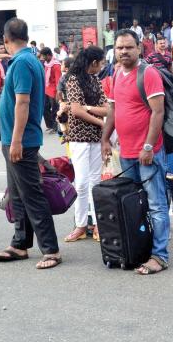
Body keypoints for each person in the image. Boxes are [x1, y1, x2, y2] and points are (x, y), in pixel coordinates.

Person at [0, 18, 60, 269]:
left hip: (20, 140)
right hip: (14, 139)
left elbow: (23, 102)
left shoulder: (21, 62)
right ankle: (20, 243)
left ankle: (50, 250)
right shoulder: (28, 59)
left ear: (5, 39)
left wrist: (17, 140)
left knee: (31, 195)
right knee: (18, 195)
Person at [102, 29, 170, 275]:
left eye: (128, 47)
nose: (123, 52)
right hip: (127, 153)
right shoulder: (116, 73)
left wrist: (149, 146)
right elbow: (113, 111)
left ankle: (160, 255)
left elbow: (158, 112)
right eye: (119, 48)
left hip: (147, 153)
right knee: (133, 205)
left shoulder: (148, 74)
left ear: (139, 48)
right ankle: (139, 247)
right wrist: (105, 140)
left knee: (156, 204)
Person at [63, 46, 108, 243]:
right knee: (81, 183)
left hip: (95, 137)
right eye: (101, 61)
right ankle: (81, 225)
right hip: (79, 137)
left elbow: (106, 108)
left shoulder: (95, 80)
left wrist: (89, 108)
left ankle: (98, 224)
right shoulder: (73, 80)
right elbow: (75, 111)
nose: (103, 65)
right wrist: (101, 123)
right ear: (93, 62)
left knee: (95, 182)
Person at [40, 48, 62, 134]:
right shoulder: (46, 64)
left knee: (54, 109)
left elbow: (58, 80)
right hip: (46, 89)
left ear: (48, 55)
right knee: (45, 107)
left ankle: (55, 127)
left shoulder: (56, 65)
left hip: (53, 91)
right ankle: (50, 125)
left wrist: (58, 92)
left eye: (43, 56)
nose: (42, 58)